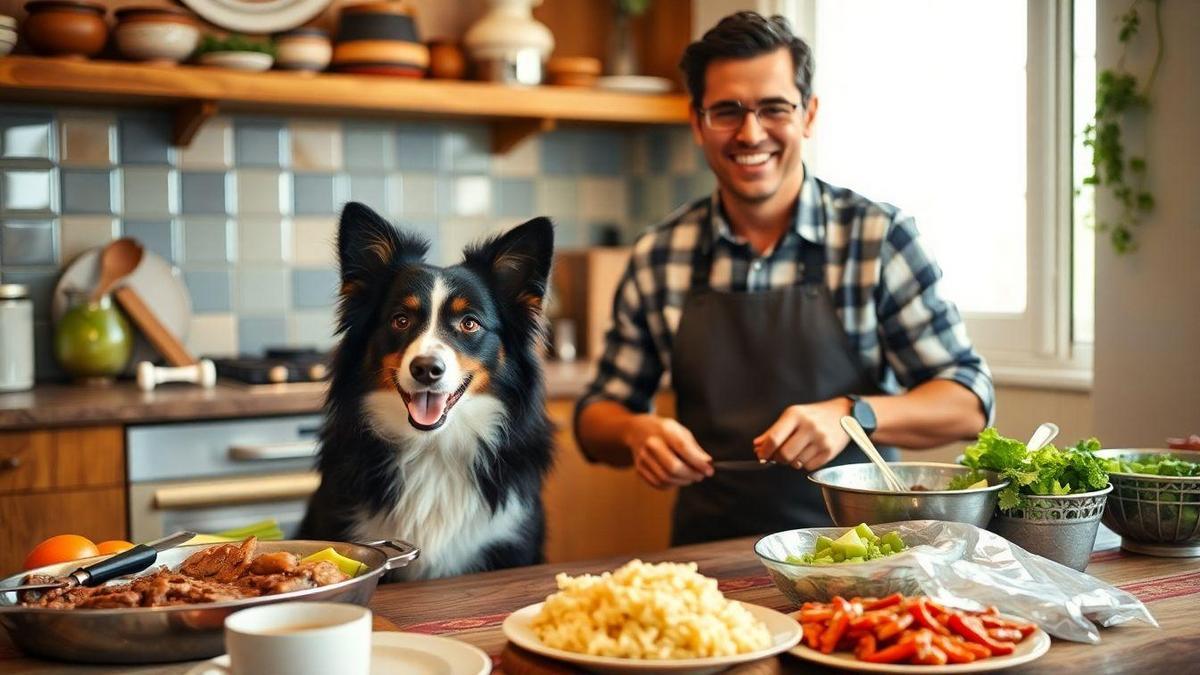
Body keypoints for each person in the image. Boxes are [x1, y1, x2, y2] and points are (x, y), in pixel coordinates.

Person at [573, 11, 995, 546]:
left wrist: (853, 415)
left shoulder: (877, 238)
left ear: (809, 114)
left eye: (774, 108)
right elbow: (595, 416)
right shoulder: (660, 254)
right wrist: (635, 432)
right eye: (727, 111)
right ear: (697, 121)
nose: (751, 133)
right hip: (710, 558)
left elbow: (968, 401)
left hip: (863, 552)